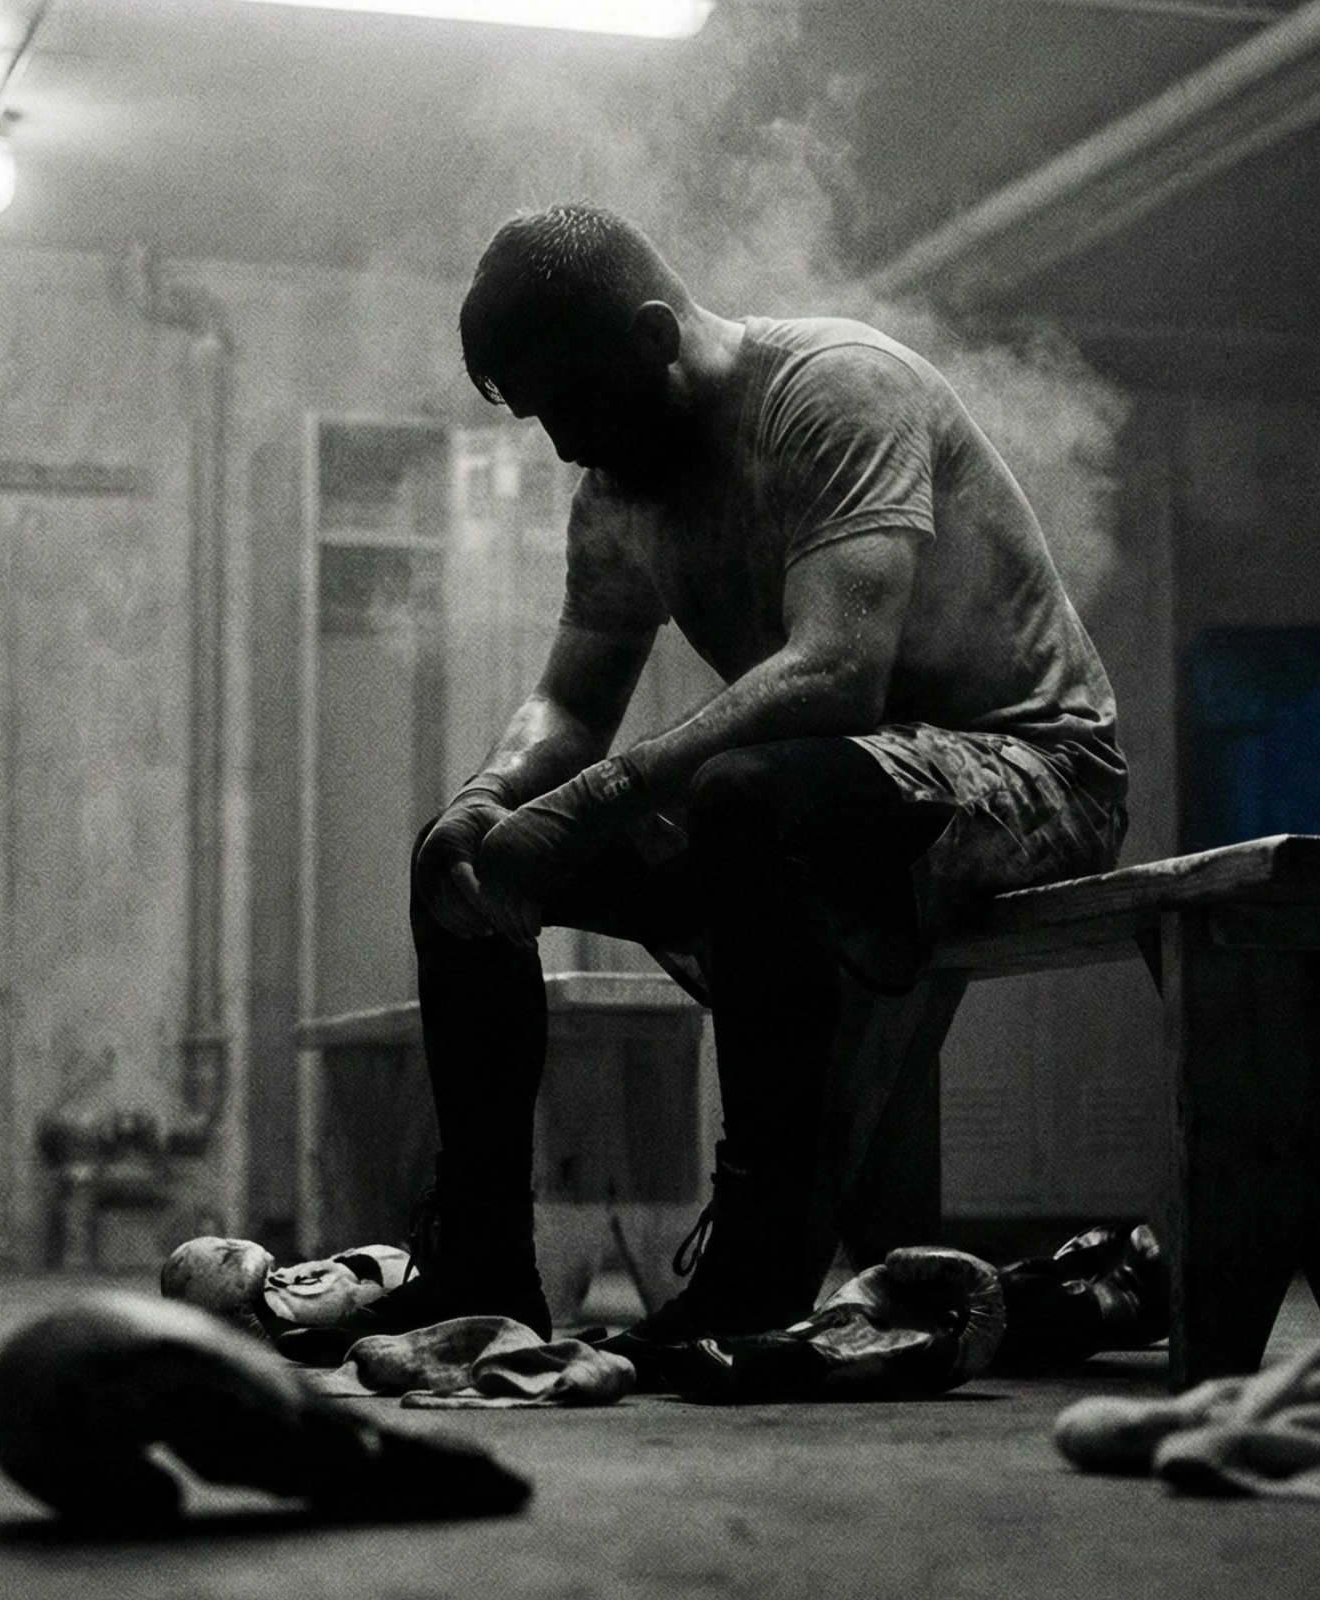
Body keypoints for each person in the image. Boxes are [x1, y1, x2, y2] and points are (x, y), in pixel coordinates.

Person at [362, 203, 1130, 1351]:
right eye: (538, 420)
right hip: (823, 799)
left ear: (656, 336)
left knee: (743, 796)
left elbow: (836, 673)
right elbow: (570, 703)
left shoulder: (830, 393)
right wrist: (491, 797)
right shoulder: (616, 495)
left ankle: (758, 1269)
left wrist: (598, 798)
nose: (564, 445)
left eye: (572, 406)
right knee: (453, 855)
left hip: (1031, 769)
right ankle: (481, 1262)